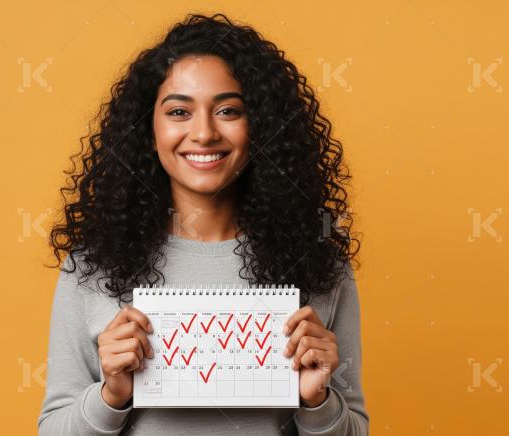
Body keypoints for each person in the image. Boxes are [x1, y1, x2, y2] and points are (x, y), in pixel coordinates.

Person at [38, 13, 368, 435]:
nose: (204, 133)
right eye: (179, 111)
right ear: (148, 129)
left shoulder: (321, 265)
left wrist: (317, 400)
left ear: (261, 126)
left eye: (228, 110)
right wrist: (111, 396)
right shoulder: (91, 267)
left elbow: (355, 429)